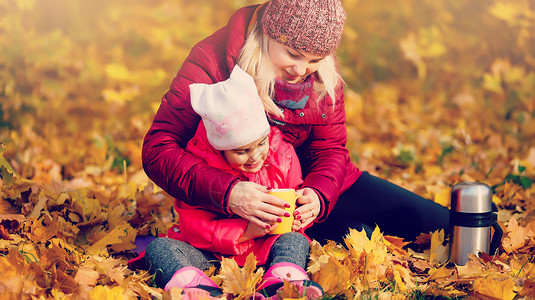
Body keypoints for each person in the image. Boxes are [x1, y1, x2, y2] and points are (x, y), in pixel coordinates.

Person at [143, 0, 449, 289]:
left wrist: (319, 194)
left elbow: (330, 150)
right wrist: (229, 192)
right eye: (292, 54)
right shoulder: (212, 59)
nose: (302, 70)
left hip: (309, 191)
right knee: (363, 237)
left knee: (442, 225)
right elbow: (159, 148)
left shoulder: (321, 75)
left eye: (315, 60)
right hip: (246, 197)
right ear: (268, 31)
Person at [144, 65, 323, 299]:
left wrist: (302, 213)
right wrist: (245, 232)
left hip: (266, 253)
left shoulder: (283, 156)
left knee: (295, 240)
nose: (255, 156)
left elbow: (294, 200)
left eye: (261, 143)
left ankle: (283, 282)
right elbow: (194, 226)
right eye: (241, 151)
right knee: (160, 248)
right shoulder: (202, 168)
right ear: (220, 148)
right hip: (211, 256)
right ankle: (196, 287)